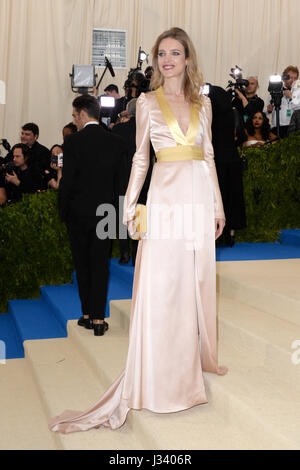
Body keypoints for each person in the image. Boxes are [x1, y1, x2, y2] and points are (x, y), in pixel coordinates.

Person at [49, 27, 227, 434]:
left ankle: (192, 367)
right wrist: (129, 207)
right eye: (161, 53)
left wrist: (217, 206)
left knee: (192, 284)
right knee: (162, 287)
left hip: (198, 199)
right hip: (164, 202)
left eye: (175, 53)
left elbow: (210, 156)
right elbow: (140, 161)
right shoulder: (146, 102)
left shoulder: (205, 103)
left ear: (187, 58)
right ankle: (160, 379)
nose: (167, 60)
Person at [57, 94, 127, 337]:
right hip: (107, 213)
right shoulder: (117, 142)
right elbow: (121, 184)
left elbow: (68, 181)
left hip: (78, 213)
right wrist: (120, 219)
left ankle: (86, 314)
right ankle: (98, 319)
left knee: (82, 263)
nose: (74, 121)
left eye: (75, 116)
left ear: (83, 114)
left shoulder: (73, 142)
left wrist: (62, 210)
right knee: (100, 265)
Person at [208, 84, 246, 247]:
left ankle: (216, 234)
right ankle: (231, 233)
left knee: (217, 197)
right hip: (233, 159)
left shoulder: (209, 115)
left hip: (216, 160)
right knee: (234, 196)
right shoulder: (233, 113)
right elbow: (242, 135)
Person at [267, 65, 299, 138]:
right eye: (290, 77)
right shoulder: (274, 91)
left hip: (293, 128)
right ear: (284, 78)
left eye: (295, 78)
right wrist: (269, 110)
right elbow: (265, 111)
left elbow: (298, 108)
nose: (293, 80)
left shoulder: (298, 93)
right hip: (276, 127)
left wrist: (291, 97)